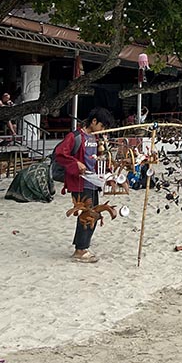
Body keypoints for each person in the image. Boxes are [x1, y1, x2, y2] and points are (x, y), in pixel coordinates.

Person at [53, 107, 114, 263]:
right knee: (87, 214)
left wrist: (107, 170)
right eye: (102, 125)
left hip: (94, 181)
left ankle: (83, 246)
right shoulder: (75, 137)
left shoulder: (97, 138)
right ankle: (80, 250)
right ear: (94, 121)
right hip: (79, 182)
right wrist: (76, 163)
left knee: (94, 212)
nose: (102, 129)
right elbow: (60, 154)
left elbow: (98, 158)